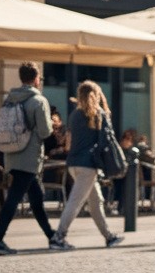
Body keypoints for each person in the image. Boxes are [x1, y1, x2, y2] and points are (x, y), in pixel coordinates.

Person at [0, 61, 59, 255]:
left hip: (11, 155)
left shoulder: (10, 99)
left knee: (36, 199)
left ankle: (52, 237)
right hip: (29, 157)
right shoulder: (38, 101)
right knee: (13, 199)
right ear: (36, 78)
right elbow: (45, 132)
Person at [50, 82, 125, 249]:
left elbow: (70, 142)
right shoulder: (99, 114)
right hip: (88, 166)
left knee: (95, 201)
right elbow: (107, 139)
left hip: (73, 164)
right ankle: (59, 237)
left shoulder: (75, 115)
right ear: (95, 95)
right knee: (75, 201)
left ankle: (108, 236)